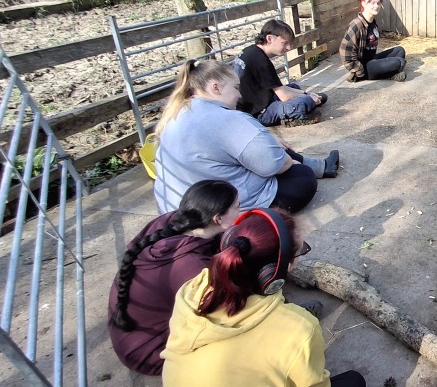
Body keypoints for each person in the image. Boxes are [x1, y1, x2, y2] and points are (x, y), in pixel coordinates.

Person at [162, 208, 366, 387]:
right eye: (300, 252)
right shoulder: (300, 329)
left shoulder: (193, 288)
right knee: (355, 380)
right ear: (273, 273)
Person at [154, 60, 339, 214]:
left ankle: (321, 166)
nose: (239, 94)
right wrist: (289, 161)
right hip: (220, 211)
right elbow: (275, 165)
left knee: (273, 146)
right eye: (235, 87)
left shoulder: (178, 112)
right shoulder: (227, 119)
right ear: (216, 87)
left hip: (175, 207)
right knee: (301, 175)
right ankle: (314, 168)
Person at [108, 180, 240, 376]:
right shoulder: (193, 268)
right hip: (152, 352)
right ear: (218, 219)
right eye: (236, 207)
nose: (240, 211)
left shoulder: (169, 222)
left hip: (130, 335)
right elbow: (226, 312)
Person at [234, 19, 328, 127]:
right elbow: (284, 96)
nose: (289, 48)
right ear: (269, 38)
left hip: (256, 101)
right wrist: (308, 97)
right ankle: (294, 116)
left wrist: (307, 94)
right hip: (257, 114)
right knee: (306, 101)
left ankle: (306, 105)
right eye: (285, 43)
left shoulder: (251, 51)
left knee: (295, 87)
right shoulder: (261, 61)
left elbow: (277, 87)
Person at [341, 0, 407, 82]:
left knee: (400, 50)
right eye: (372, 3)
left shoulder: (373, 23)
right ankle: (368, 76)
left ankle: (388, 73)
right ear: (363, 4)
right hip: (363, 66)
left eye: (378, 3)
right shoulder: (357, 25)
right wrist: (358, 70)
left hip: (372, 60)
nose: (376, 6)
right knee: (398, 62)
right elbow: (345, 53)